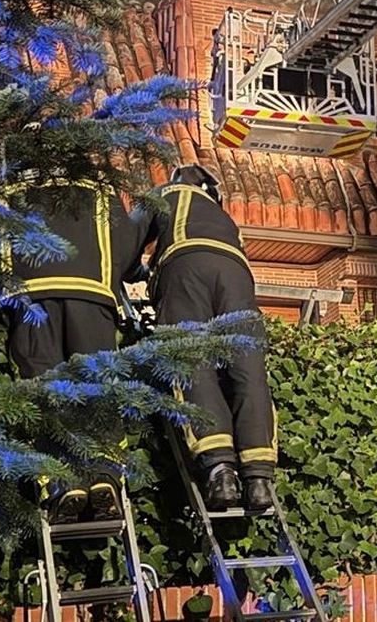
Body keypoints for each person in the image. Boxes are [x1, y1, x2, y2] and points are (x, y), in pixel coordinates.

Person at [129, 164, 277, 511]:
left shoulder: (166, 195)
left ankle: (221, 470)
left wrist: (137, 270)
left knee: (192, 362)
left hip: (185, 270)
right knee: (248, 370)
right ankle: (259, 480)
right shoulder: (226, 219)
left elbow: (127, 239)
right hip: (238, 277)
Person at [5, 175, 139, 522]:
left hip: (31, 298)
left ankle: (62, 483)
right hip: (90, 294)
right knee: (97, 383)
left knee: (44, 386)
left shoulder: (10, 190)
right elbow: (124, 241)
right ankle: (104, 474)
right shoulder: (99, 188)